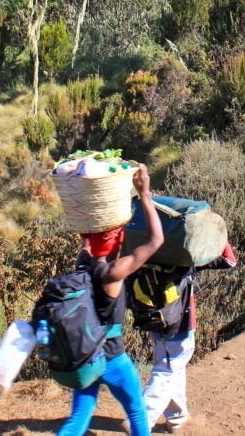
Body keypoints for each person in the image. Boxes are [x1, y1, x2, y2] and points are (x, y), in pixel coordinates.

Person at [59, 166, 164, 436]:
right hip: (112, 358)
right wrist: (145, 194)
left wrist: (87, 204)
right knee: (137, 411)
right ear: (117, 238)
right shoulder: (113, 273)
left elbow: (88, 234)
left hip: (85, 356)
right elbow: (156, 240)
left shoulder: (83, 262)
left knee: (79, 417)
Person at [140, 242, 237, 433]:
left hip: (153, 319)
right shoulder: (187, 255)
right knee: (168, 369)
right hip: (180, 322)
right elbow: (229, 260)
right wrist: (218, 232)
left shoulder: (145, 251)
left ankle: (178, 418)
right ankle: (141, 419)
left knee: (172, 367)